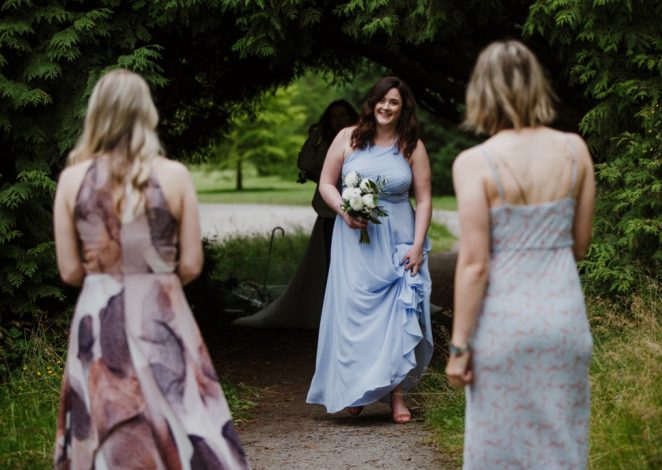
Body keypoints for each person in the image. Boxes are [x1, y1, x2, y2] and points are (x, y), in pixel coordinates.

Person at [51, 69, 248, 469]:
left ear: (96, 114)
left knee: (108, 419)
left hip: (98, 307)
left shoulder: (72, 180)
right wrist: (157, 279)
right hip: (162, 308)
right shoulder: (174, 176)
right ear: (147, 114)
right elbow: (192, 263)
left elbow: (70, 271)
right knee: (179, 413)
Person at [444, 39, 597, 468]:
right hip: (563, 320)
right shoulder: (575, 150)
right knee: (562, 448)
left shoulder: (474, 162)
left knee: (499, 452)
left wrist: (458, 349)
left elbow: (474, 264)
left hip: (503, 326)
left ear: (483, 91)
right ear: (537, 86)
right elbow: (580, 245)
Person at [306, 77, 433, 424]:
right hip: (355, 240)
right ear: (372, 103)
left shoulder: (411, 145)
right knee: (355, 313)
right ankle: (356, 390)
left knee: (396, 315)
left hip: (399, 237)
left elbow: (423, 199)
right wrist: (345, 211)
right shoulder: (347, 137)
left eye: (394, 102)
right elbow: (326, 184)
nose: (387, 107)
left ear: (403, 108)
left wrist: (419, 244)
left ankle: (396, 396)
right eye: (382, 101)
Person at [234, 99, 358, 329]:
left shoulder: (361, 140)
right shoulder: (324, 145)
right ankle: (335, 314)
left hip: (358, 210)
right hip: (331, 212)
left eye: (343, 116)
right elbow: (305, 163)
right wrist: (315, 136)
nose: (340, 121)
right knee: (333, 263)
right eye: (334, 117)